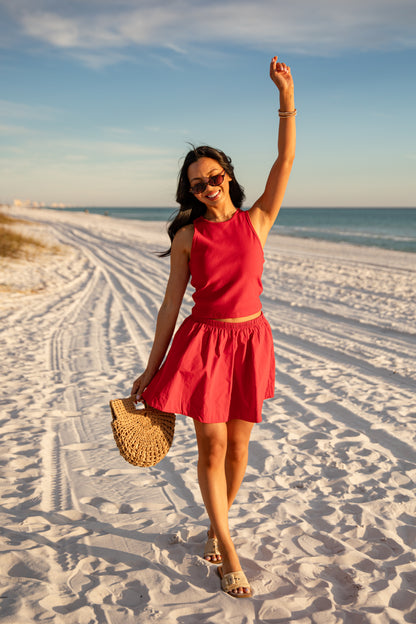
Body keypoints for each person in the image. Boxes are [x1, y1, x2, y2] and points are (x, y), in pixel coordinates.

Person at [131, 56, 296, 598]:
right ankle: (227, 548)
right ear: (190, 190)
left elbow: (285, 159)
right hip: (204, 344)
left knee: (241, 451)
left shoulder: (258, 221)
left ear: (228, 176)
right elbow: (168, 308)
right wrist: (151, 371)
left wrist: (285, 96)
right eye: (196, 183)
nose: (206, 186)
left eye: (213, 177)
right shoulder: (187, 237)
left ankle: (215, 523)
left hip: (250, 341)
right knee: (210, 449)